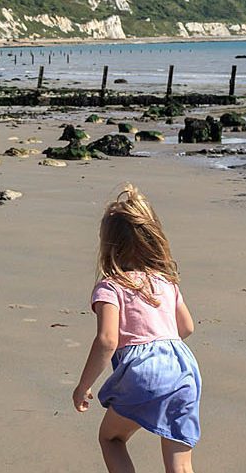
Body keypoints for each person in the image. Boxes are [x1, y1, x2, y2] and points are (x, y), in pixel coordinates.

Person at [71, 184, 201, 473]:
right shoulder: (166, 283)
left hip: (145, 372)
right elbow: (187, 327)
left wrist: (84, 386)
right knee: (180, 462)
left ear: (108, 245)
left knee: (111, 438)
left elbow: (107, 341)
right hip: (184, 371)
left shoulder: (110, 287)